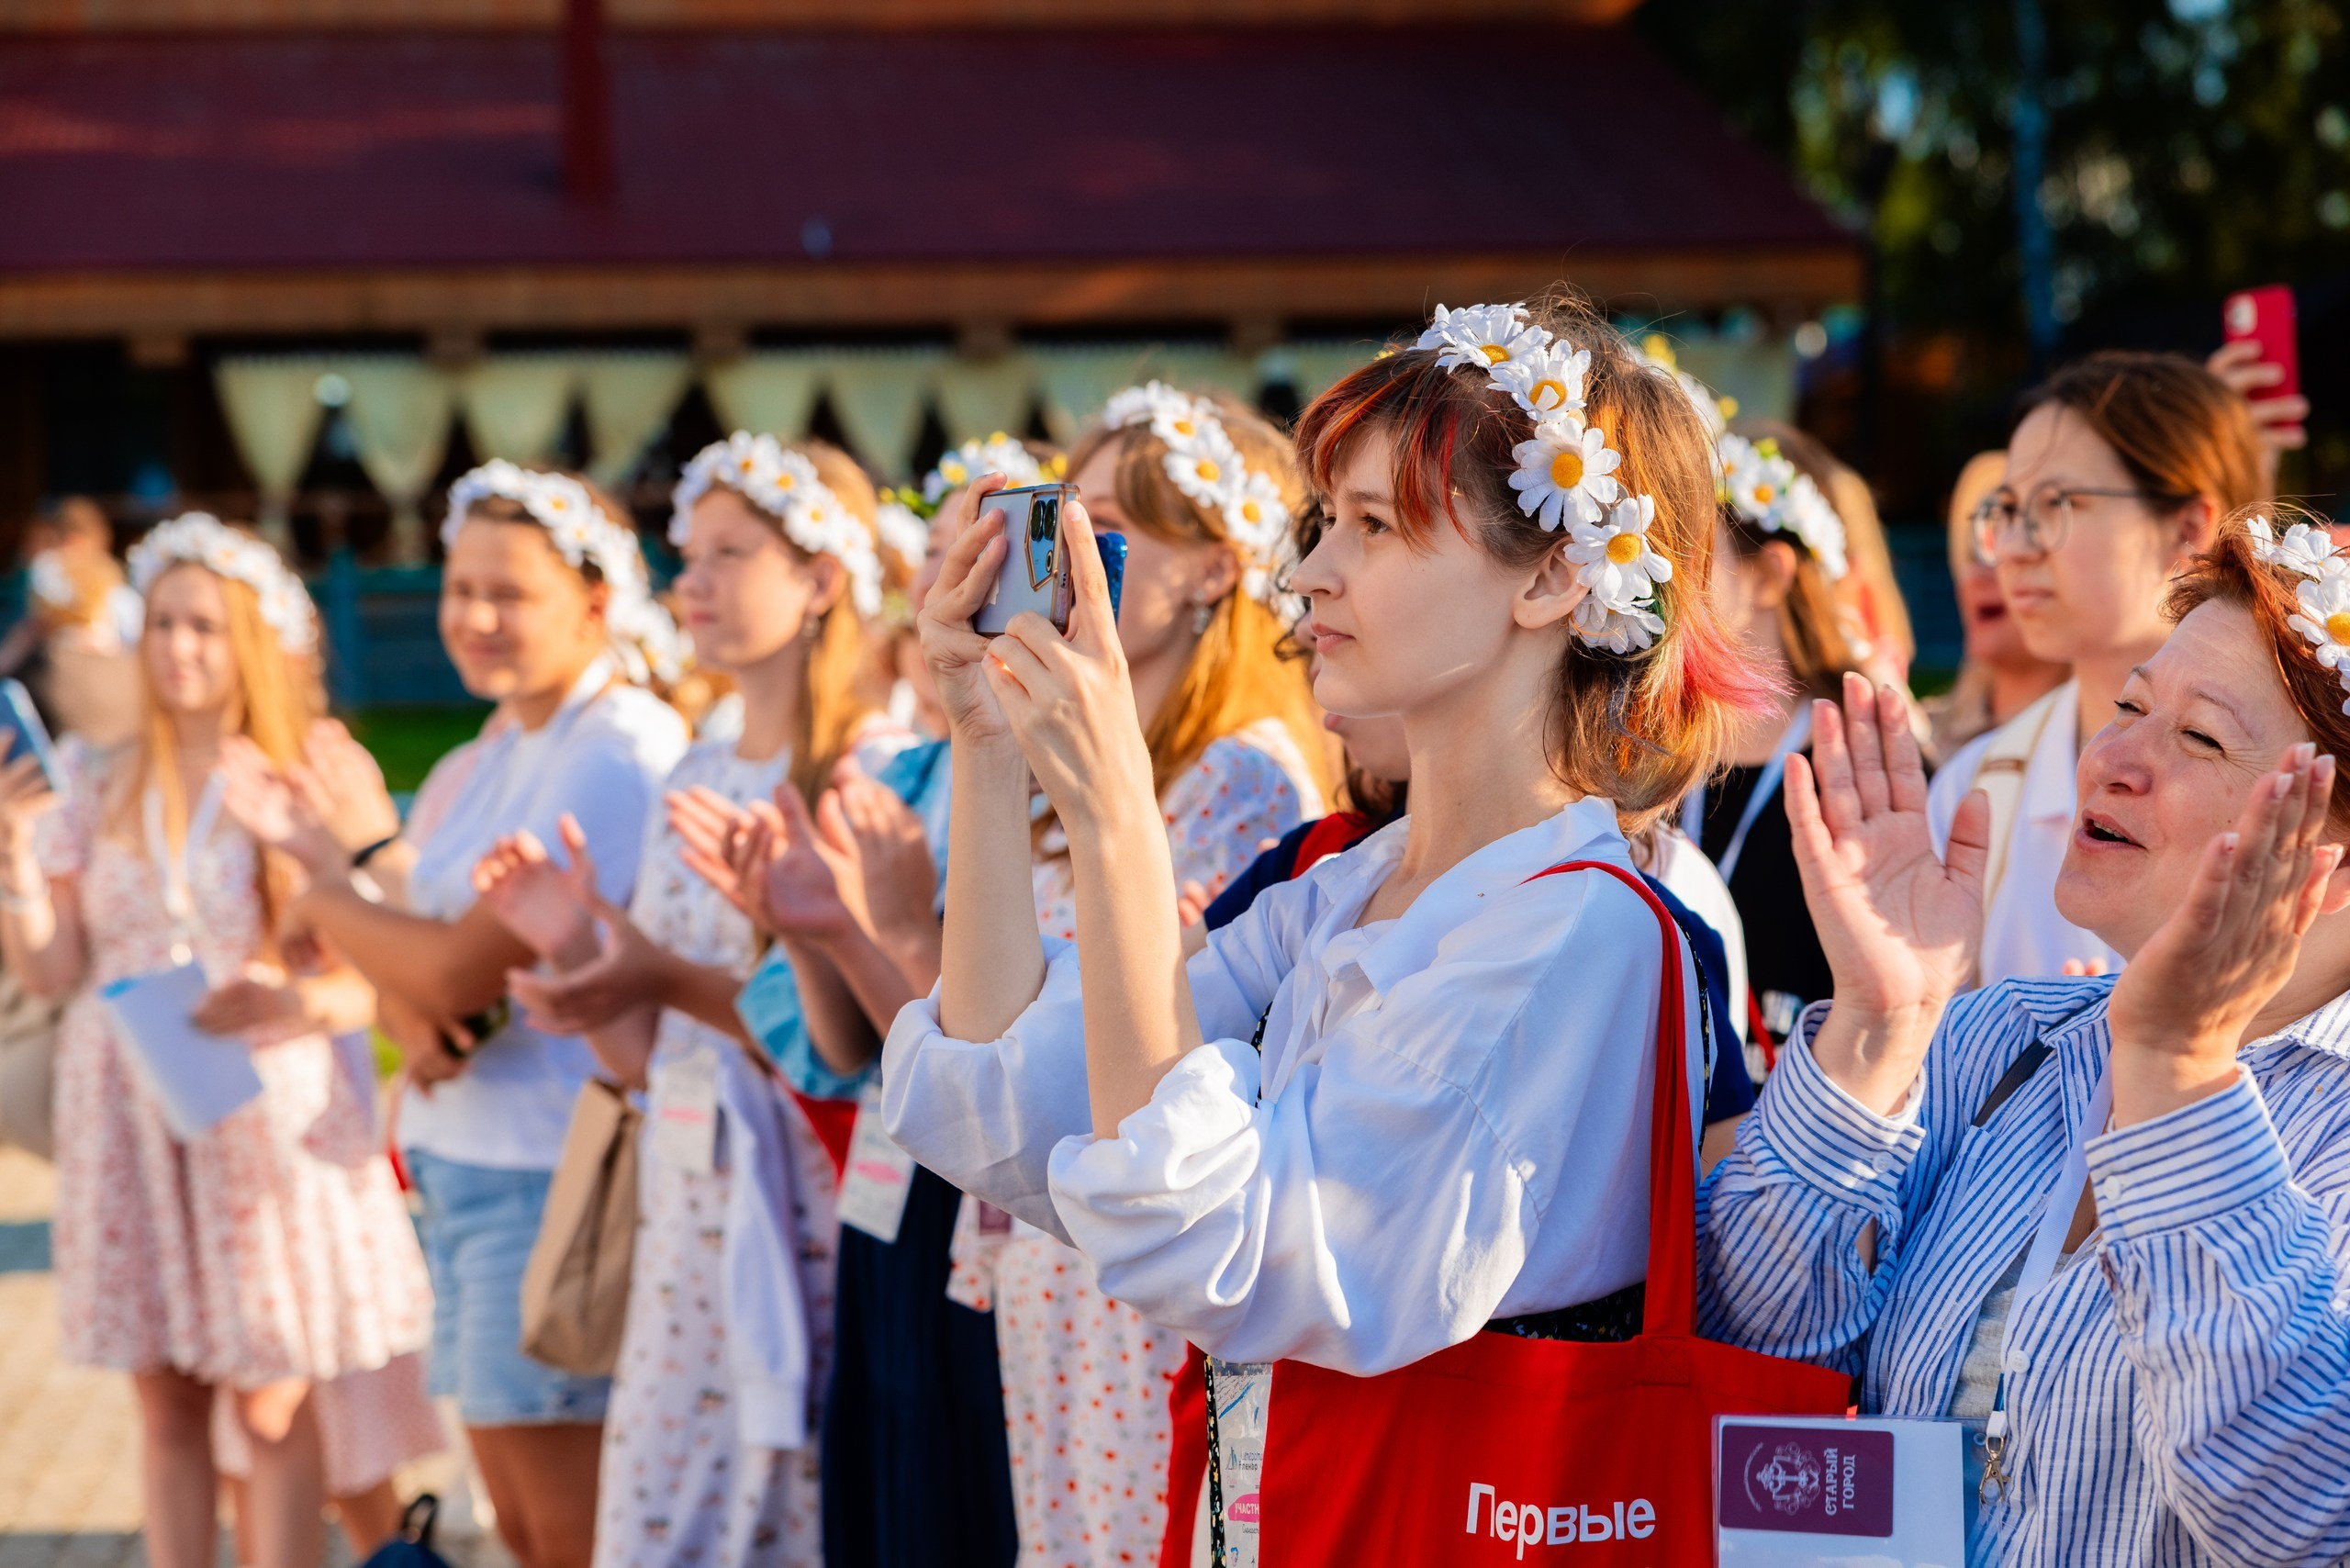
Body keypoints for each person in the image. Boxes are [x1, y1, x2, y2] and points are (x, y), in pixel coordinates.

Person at [882, 298, 1773, 1542]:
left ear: (1556, 577)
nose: (1310, 573)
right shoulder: (1348, 888)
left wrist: (1117, 823)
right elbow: (1000, 1108)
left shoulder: (1581, 935)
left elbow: (1208, 1243)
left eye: (1375, 527)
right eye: (1323, 522)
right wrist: (988, 748)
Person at [718, 388, 1329, 1565]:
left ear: (1215, 571)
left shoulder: (1239, 778)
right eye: (1065, 519)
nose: (1061, 561)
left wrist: (897, 923)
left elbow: (1145, 1047)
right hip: (1038, 1242)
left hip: (1142, 1260)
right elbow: (1000, 1037)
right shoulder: (1068, 757)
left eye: (1106, 527)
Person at [1700, 511, 2350, 1565]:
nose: (2113, 760)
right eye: (2128, 705)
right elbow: (1752, 1343)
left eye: (2199, 738)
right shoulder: (2003, 1036)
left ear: (2328, 854)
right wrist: (1880, 1023)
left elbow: (2303, 1516)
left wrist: (2179, 1073)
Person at [469, 434, 915, 1568]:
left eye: (732, 554)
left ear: (820, 581)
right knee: (671, 1504)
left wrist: (656, 974)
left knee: (793, 1500)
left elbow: (854, 1047)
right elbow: (647, 1047)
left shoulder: (874, 768)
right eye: (688, 554)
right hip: (684, 1188)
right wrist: (576, 948)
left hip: (807, 1195)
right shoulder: (697, 769)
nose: (695, 583)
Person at [0, 513, 433, 1568]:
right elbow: (52, 971)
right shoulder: (100, 779)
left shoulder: (293, 781)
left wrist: (288, 1002)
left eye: (205, 626)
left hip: (260, 1114)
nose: (180, 647)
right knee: (166, 1407)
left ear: (250, 641)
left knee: (273, 1402)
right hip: (130, 1104)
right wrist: (13, 854)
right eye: (163, 624)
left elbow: (379, 987)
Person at [280, 465, 689, 1568]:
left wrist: (326, 895)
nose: (472, 617)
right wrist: (413, 994)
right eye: (460, 589)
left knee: (568, 1530)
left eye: (508, 594)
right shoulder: (491, 751)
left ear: (594, 602)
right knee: (508, 1517)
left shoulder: (619, 747)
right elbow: (431, 1008)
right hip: (465, 1165)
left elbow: (457, 973)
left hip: (555, 1168)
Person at [1929, 353, 2265, 986]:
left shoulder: (2289, 799)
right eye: (2006, 510)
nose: (2018, 549)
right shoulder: (1973, 790)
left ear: (2189, 526)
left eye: (2058, 504)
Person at [1684, 420, 1871, 1052]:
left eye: (1689, 551)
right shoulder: (1645, 751)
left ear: (1769, 574)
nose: (1658, 577)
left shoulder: (1862, 763)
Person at [1925, 452, 2068, 761]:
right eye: (1971, 552)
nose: (1977, 575)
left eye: (2008, 549)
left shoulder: (2092, 749)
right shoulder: (1918, 732)